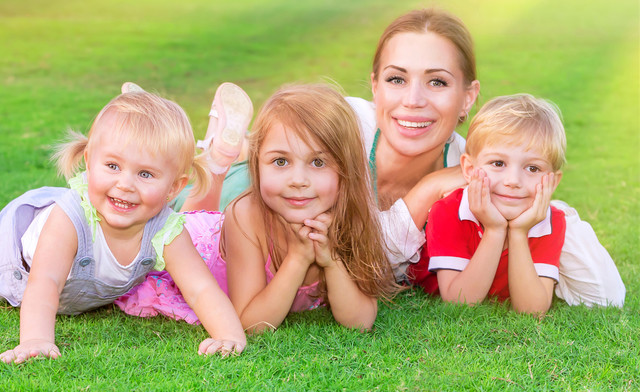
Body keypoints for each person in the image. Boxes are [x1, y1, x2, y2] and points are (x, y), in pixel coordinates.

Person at [179, 8, 624, 307]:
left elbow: (608, 295)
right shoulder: (348, 124)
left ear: (468, 96)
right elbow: (366, 253)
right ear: (374, 85)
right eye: (396, 79)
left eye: (436, 83)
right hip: (255, 195)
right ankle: (217, 158)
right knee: (185, 216)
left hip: (301, 256)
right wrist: (429, 188)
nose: (413, 101)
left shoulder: (485, 172)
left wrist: (546, 209)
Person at [0, 84, 247, 364]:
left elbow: (201, 289)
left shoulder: (166, 230)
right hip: (9, 255)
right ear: (89, 162)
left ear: (175, 187)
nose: (125, 184)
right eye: (112, 166)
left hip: (64, 279)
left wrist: (229, 335)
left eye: (145, 174)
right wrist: (36, 340)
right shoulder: (71, 218)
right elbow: (45, 281)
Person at [117, 84, 402, 333]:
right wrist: (298, 259)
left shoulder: (349, 217)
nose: (298, 181)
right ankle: (154, 127)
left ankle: (214, 156)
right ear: (256, 165)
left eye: (318, 162)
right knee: (158, 220)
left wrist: (331, 261)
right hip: (194, 251)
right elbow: (250, 323)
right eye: (280, 161)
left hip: (214, 233)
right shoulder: (246, 215)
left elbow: (360, 322)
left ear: (346, 169)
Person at [408, 94, 566, 315]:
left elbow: (532, 311)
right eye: (498, 163)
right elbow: (460, 302)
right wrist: (495, 229)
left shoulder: (550, 221)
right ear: (470, 169)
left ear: (553, 181)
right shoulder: (447, 210)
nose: (513, 181)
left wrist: (519, 233)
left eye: (532, 168)